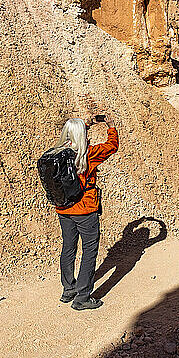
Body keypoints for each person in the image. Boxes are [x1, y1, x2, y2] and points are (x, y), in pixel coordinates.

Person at [51, 114, 119, 310]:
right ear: (83, 135)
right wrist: (111, 126)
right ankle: (82, 297)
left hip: (63, 208)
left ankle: (68, 289)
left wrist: (84, 124)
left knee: (68, 248)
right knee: (89, 251)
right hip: (85, 209)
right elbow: (112, 145)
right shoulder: (88, 153)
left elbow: (75, 134)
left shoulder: (58, 153)